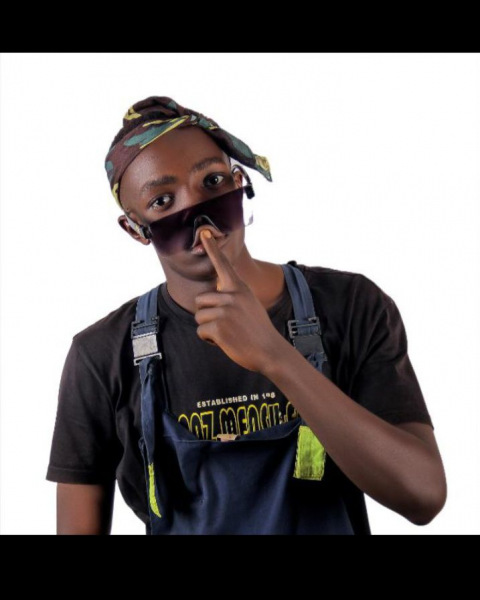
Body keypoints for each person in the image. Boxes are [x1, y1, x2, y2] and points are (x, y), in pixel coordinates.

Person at [46, 96, 447, 535]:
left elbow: (423, 495)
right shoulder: (102, 354)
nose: (198, 215)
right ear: (134, 228)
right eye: (162, 201)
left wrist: (275, 356)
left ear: (239, 184)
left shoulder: (349, 306)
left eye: (212, 181)